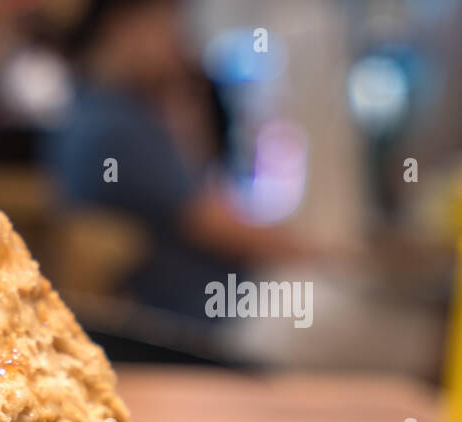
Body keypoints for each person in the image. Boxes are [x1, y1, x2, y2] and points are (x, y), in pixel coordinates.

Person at [52, 0, 310, 319]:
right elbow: (217, 227)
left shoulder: (95, 112)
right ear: (126, 28)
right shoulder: (114, 127)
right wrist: (320, 255)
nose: (179, 44)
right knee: (351, 314)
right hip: (201, 319)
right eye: (168, 26)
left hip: (207, 308)